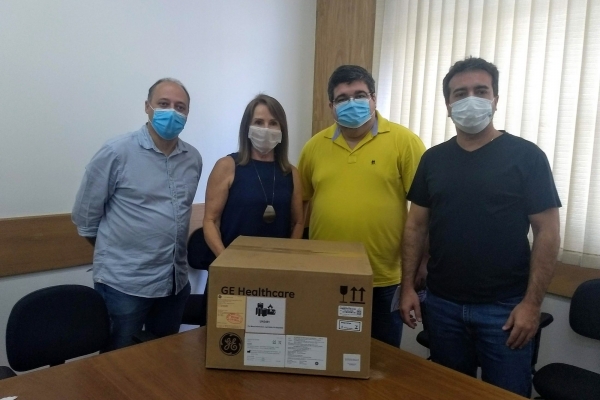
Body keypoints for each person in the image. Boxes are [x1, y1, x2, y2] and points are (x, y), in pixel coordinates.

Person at [400, 57, 561, 398]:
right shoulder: (433, 159)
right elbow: (415, 226)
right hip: (442, 304)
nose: (470, 99)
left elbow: (547, 233)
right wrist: (407, 288)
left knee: (506, 394)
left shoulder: (527, 157)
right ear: (448, 105)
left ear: (495, 99)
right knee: (449, 392)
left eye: (481, 91)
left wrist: (532, 305)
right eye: (460, 93)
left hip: (505, 308)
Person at [298, 65, 426, 347]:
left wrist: (421, 267)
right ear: (331, 106)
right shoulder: (313, 147)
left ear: (374, 98)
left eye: (359, 95)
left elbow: (425, 213)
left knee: (383, 360)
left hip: (385, 278)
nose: (351, 103)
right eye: (342, 98)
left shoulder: (405, 142)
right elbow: (301, 206)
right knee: (327, 353)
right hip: (326, 276)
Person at [72, 78, 202, 351]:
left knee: (163, 359)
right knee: (118, 364)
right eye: (163, 104)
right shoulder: (116, 152)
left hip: (174, 284)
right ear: (147, 107)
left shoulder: (193, 158)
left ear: (188, 113)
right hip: (124, 286)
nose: (172, 112)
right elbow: (85, 218)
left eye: (180, 107)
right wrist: (122, 253)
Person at [202, 94, 304, 264]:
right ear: (247, 128)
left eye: (273, 123)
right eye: (258, 122)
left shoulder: (291, 173)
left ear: (282, 130)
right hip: (231, 265)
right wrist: (227, 261)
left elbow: (298, 222)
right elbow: (210, 221)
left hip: (276, 267)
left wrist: (287, 259)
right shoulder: (227, 166)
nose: (266, 129)